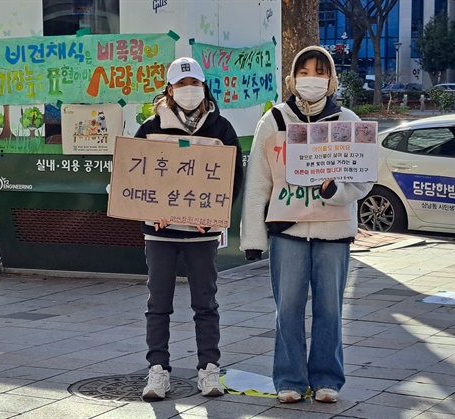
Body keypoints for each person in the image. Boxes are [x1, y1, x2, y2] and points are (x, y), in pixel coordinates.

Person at [239, 46, 373, 404]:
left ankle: (328, 378)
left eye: (320, 71)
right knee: (289, 307)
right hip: (288, 230)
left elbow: (363, 179)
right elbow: (258, 182)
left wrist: (336, 190)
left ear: (331, 80)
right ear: (293, 76)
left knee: (330, 307)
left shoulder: (348, 120)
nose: (312, 78)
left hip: (334, 230)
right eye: (305, 71)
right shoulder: (275, 120)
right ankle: (289, 379)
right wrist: (253, 236)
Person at [135, 57, 243, 400]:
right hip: (160, 232)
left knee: (206, 303)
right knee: (158, 303)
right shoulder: (149, 127)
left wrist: (212, 213)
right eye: (181, 85)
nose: (189, 90)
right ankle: (158, 371)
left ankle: (209, 369)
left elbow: (233, 179)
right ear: (169, 89)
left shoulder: (221, 128)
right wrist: (151, 212)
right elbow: (135, 176)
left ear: (203, 86)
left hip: (202, 232)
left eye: (194, 83)